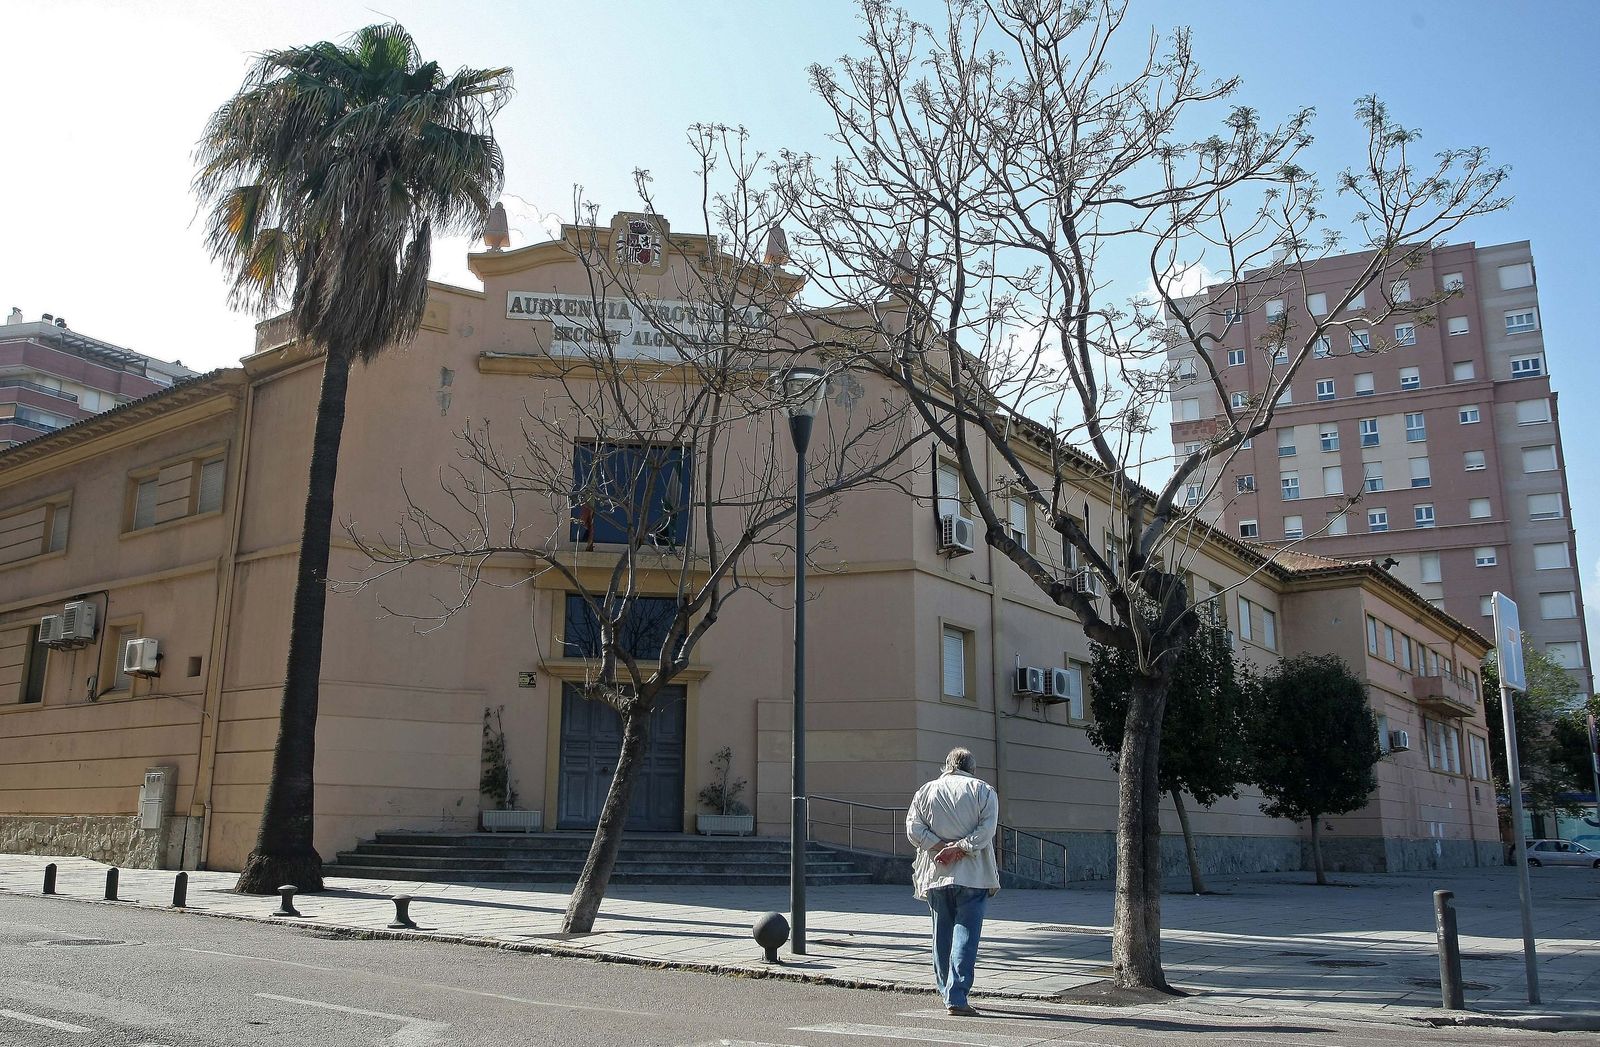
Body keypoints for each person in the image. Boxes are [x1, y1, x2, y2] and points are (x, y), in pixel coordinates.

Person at [905, 747, 1000, 1016]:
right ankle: (957, 995)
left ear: (946, 765)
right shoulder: (984, 790)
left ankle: (946, 991)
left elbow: (913, 828)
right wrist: (960, 847)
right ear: (972, 768)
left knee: (941, 935)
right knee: (966, 935)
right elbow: (986, 830)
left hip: (936, 873)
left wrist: (939, 846)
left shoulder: (925, 791)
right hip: (973, 873)